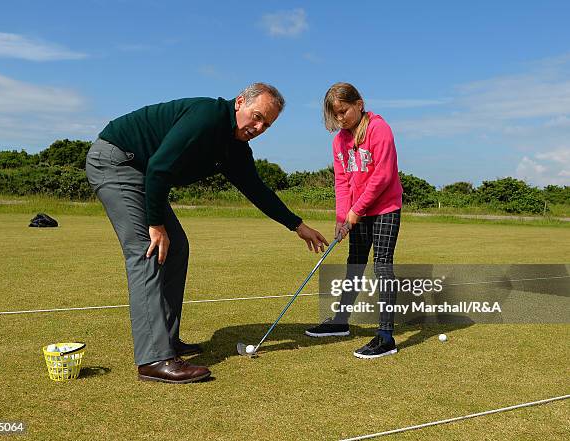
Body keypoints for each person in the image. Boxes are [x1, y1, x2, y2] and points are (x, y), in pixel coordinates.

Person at [86, 83, 329, 383]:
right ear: (239, 102)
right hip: (116, 160)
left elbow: (256, 189)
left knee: (177, 248)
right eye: (256, 116)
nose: (259, 127)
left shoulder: (234, 147)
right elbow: (159, 167)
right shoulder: (207, 117)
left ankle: (168, 341)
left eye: (267, 124)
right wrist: (156, 224)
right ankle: (154, 359)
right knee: (145, 250)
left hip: (143, 170)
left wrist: (297, 225)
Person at [305, 82, 403, 359]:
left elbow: (382, 177)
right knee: (354, 265)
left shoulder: (379, 129)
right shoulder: (339, 140)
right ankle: (340, 321)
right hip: (357, 213)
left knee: (382, 267)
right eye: (335, 114)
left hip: (385, 208)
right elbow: (342, 181)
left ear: (359, 104)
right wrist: (341, 217)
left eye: (343, 111)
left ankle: (386, 336)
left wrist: (354, 212)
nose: (340, 118)